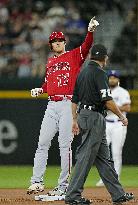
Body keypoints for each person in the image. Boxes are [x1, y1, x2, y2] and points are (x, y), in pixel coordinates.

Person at [27, 17, 99, 196]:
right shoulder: (50, 62)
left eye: (60, 40)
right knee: (42, 143)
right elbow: (48, 84)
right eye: (54, 41)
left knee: (64, 145)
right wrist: (40, 89)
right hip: (51, 105)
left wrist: (90, 32)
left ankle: (64, 184)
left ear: (64, 43)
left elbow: (86, 46)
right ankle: (36, 182)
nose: (57, 43)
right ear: (51, 45)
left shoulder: (74, 55)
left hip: (68, 104)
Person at [65, 44, 134, 205]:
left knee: (104, 158)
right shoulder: (99, 73)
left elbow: (74, 98)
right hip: (94, 117)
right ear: (104, 58)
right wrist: (121, 116)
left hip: (85, 115)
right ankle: (72, 195)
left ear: (90, 57)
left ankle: (118, 194)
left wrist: (75, 119)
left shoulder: (82, 73)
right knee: (85, 156)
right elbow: (108, 101)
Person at [96, 70, 131, 187]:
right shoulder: (104, 91)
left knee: (116, 152)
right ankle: (104, 178)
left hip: (118, 124)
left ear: (118, 80)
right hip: (105, 123)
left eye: (114, 77)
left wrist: (112, 107)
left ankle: (116, 178)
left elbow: (127, 107)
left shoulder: (122, 92)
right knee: (103, 152)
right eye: (110, 77)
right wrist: (114, 107)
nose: (112, 79)